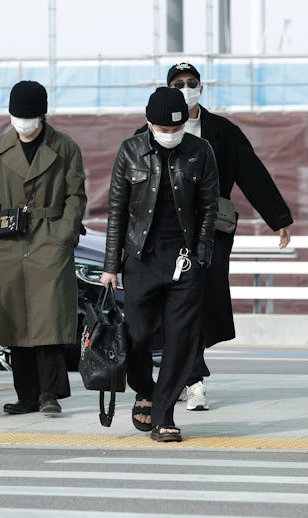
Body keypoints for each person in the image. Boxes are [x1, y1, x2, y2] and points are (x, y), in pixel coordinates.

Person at [138, 62, 293, 412]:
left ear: (201, 88)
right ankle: (189, 378)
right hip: (163, 235)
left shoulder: (222, 131)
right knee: (170, 306)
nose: (186, 87)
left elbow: (252, 174)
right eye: (178, 82)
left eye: (192, 82)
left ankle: (187, 376)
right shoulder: (147, 132)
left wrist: (278, 218)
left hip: (210, 232)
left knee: (200, 304)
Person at [101, 87, 219, 442]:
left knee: (182, 341)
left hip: (185, 262)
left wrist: (200, 255)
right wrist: (110, 266)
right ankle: (146, 390)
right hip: (141, 259)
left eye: (177, 128)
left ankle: (164, 414)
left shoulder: (201, 151)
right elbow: (116, 212)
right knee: (136, 337)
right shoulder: (130, 151)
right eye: (163, 129)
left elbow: (210, 207)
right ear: (149, 123)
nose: (170, 135)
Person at [0, 80, 86, 417]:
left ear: (41, 116)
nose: (23, 122)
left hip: (49, 239)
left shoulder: (65, 147)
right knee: (16, 324)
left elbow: (75, 195)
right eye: (17, 115)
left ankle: (49, 393)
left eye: (29, 116)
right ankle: (26, 394)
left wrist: (64, 233)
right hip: (10, 243)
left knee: (48, 322)